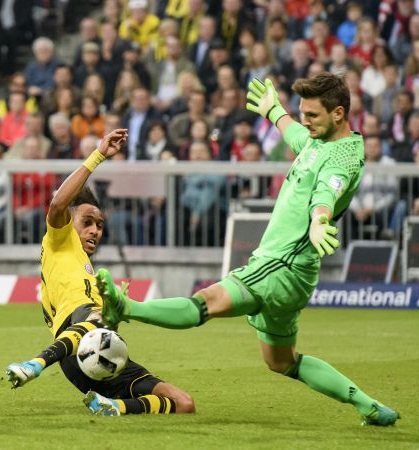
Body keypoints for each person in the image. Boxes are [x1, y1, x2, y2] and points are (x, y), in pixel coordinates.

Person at [95, 72, 401, 426]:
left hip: (280, 265)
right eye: (303, 113)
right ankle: (371, 407)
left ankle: (126, 307)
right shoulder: (324, 140)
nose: (306, 121)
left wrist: (320, 219)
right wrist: (275, 113)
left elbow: (327, 193)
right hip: (296, 273)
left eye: (313, 115)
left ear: (339, 113)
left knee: (205, 303)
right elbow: (300, 136)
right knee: (282, 362)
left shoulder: (340, 162)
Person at [5, 129, 195, 417]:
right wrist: (98, 157)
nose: (95, 230)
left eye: (100, 225)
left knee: (183, 404)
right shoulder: (59, 240)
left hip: (99, 356)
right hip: (73, 341)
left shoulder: (87, 269)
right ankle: (35, 364)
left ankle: (112, 406)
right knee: (99, 315)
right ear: (71, 221)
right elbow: (57, 204)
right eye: (88, 222)